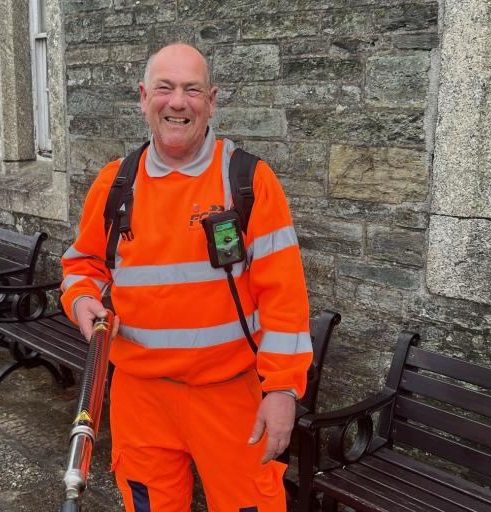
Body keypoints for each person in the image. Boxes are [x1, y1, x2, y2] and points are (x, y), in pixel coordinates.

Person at [61, 43, 311, 512]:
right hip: (140, 396)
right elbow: (83, 265)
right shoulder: (114, 184)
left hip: (230, 395)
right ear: (143, 97)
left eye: (192, 90)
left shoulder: (248, 181)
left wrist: (281, 390)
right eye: (165, 88)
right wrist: (79, 301)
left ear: (211, 100)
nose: (178, 102)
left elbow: (285, 298)